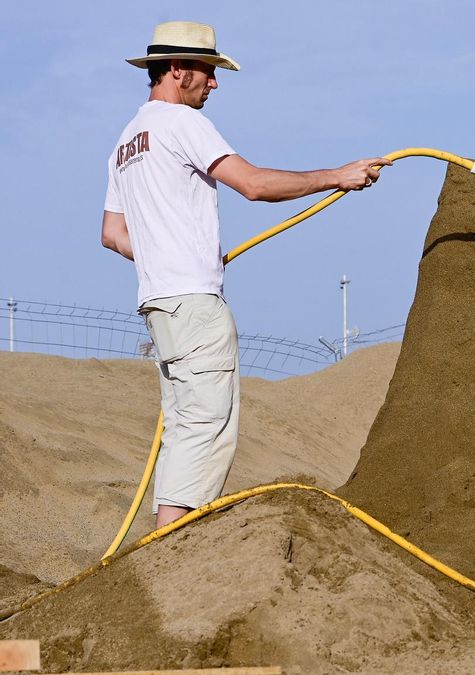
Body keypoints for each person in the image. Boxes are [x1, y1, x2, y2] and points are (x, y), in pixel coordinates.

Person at [101, 21, 391, 528]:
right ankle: (172, 545)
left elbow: (112, 233)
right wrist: (337, 176)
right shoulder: (180, 123)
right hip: (194, 305)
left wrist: (165, 253)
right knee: (205, 428)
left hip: (159, 304)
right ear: (178, 69)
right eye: (208, 71)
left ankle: (162, 545)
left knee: (185, 427)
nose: (214, 83)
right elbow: (253, 184)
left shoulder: (126, 142)